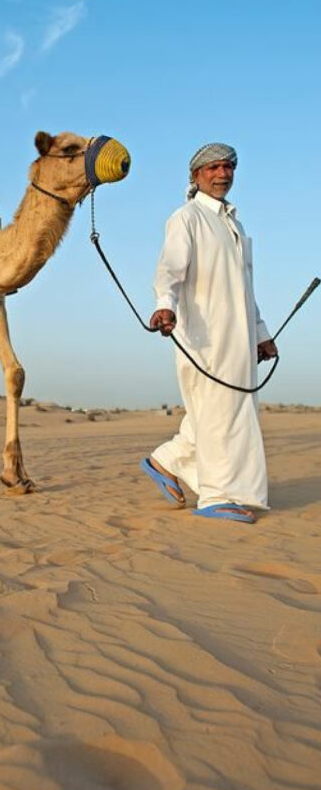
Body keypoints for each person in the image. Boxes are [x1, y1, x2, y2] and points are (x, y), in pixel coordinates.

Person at [140, 142, 277, 524]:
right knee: (220, 415)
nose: (222, 174)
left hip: (238, 338)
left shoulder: (234, 224)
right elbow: (169, 270)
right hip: (203, 338)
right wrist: (163, 305)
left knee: (222, 413)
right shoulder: (187, 218)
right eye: (213, 167)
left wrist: (260, 334)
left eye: (228, 167)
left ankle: (163, 462)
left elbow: (245, 290)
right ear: (196, 175)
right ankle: (217, 495)